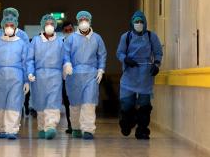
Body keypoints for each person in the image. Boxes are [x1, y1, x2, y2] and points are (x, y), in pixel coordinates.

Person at [116, 10, 163, 140]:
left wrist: (157, 65)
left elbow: (158, 52)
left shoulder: (151, 36)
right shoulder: (126, 37)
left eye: (141, 21)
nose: (139, 23)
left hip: (145, 74)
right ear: (132, 23)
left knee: (144, 105)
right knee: (126, 103)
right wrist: (126, 59)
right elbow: (119, 53)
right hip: (129, 74)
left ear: (145, 23)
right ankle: (126, 123)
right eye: (136, 21)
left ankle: (142, 130)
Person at [0, 16, 29, 140]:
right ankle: (2, 128)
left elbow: (26, 62)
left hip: (17, 77)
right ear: (3, 27)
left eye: (12, 26)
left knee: (13, 104)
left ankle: (11, 130)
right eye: (7, 26)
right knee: (0, 105)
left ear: (16, 27)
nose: (9, 28)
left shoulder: (21, 43)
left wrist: (26, 80)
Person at [63, 11, 107, 140]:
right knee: (75, 104)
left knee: (89, 103)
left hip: (91, 76)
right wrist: (67, 64)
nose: (83, 21)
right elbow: (65, 53)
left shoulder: (97, 38)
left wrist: (101, 70)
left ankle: (88, 130)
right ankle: (76, 127)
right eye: (81, 19)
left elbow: (102, 55)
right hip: (74, 75)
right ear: (77, 21)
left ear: (90, 21)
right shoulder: (71, 38)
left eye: (86, 19)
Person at [27, 14, 64, 140]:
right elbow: (30, 59)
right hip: (39, 76)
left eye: (52, 24)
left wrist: (66, 68)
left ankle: (50, 127)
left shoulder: (60, 41)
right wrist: (30, 72)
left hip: (55, 76)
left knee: (53, 101)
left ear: (55, 26)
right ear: (43, 26)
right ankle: (42, 127)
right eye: (47, 24)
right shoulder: (36, 41)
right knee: (40, 103)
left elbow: (65, 58)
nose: (49, 26)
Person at [61, 21, 75, 134]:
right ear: (63, 32)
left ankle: (79, 125)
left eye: (70, 30)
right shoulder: (60, 43)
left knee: (78, 102)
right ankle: (70, 125)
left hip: (79, 76)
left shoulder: (80, 42)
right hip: (65, 78)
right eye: (66, 31)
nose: (69, 32)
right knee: (67, 102)